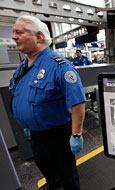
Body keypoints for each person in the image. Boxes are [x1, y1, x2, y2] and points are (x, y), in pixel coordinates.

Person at [10, 15, 86, 190]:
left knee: (67, 177)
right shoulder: (24, 67)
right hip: (36, 135)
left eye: (19, 32)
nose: (14, 36)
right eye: (14, 32)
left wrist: (76, 135)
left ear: (39, 37)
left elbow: (77, 102)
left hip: (57, 136)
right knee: (47, 171)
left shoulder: (59, 66)